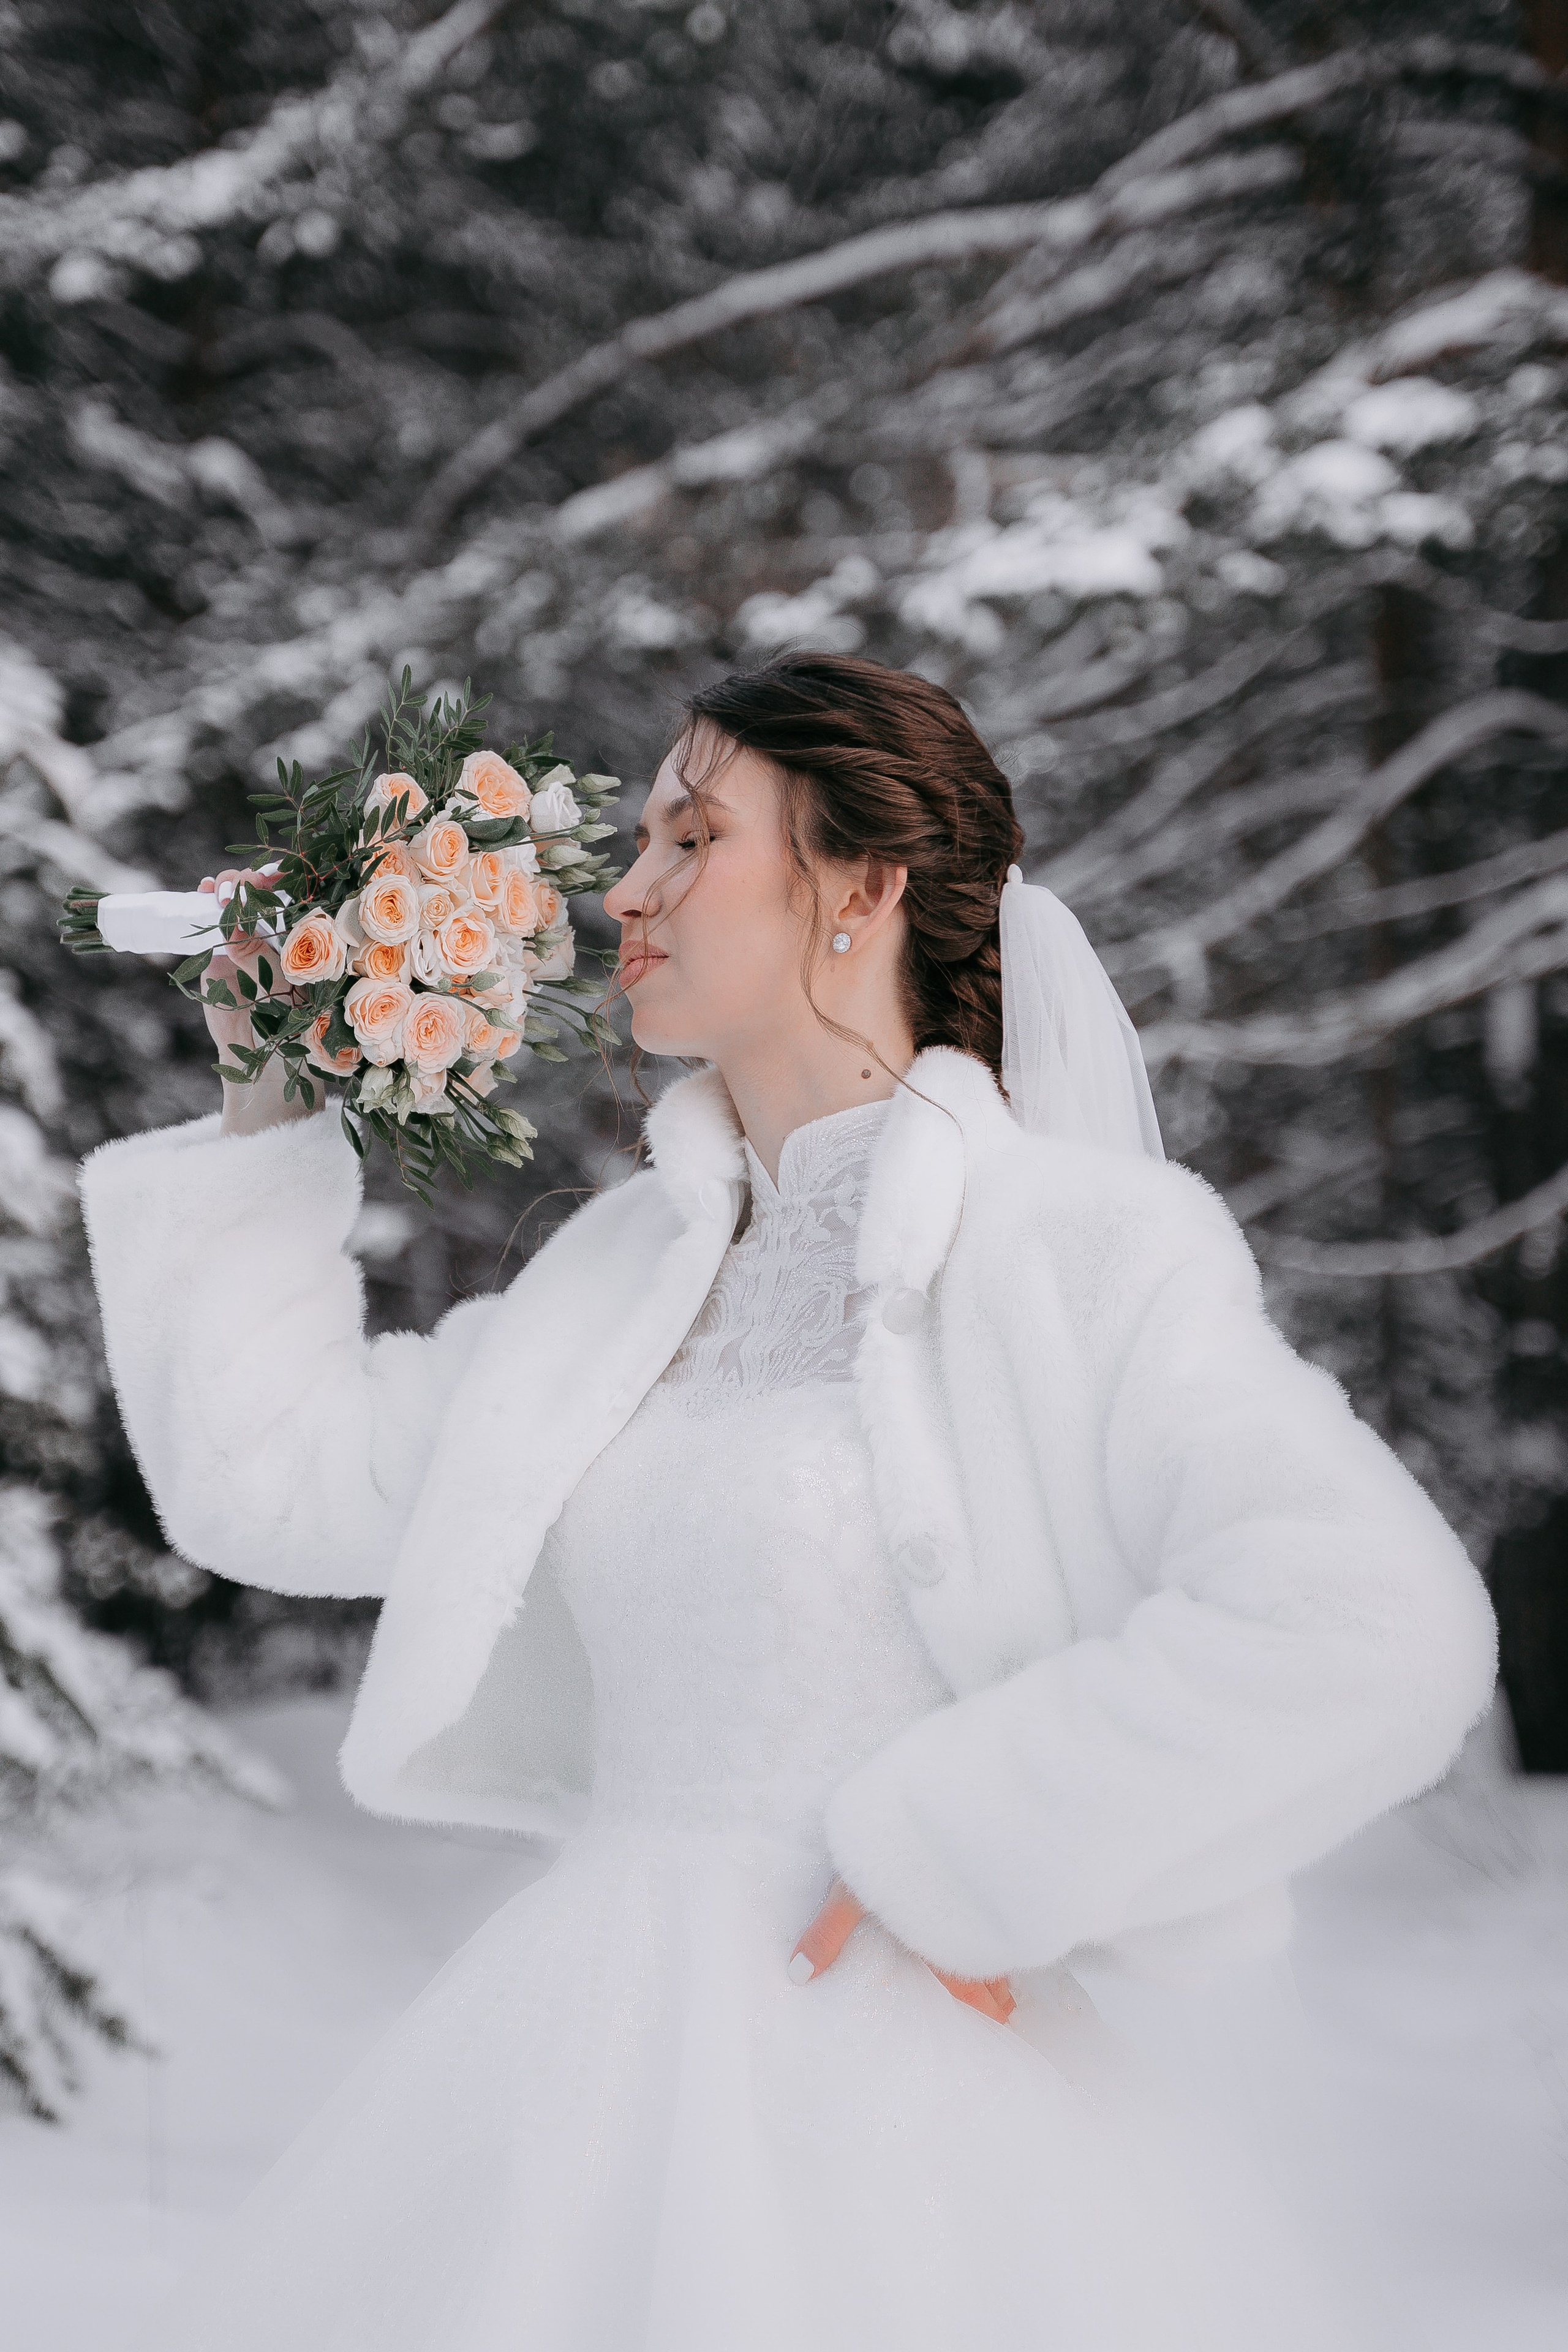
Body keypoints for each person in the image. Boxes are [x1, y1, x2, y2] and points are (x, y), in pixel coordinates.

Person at [83, 652, 1496, 2351]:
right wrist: (264, 1100)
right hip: (580, 2082)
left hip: (914, 2138)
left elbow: (1373, 1623)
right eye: (648, 842)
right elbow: (271, 1487)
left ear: (864, 886)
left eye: (693, 837)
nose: (631, 886)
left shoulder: (1079, 1254)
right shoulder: (614, 1279)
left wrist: (961, 1855)